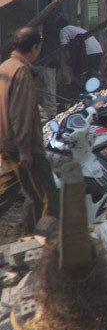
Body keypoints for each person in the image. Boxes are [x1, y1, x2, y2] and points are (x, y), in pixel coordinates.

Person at [0, 27, 59, 232]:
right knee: (47, 197)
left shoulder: (6, 66)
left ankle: (30, 236)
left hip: (7, 143)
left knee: (5, 193)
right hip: (23, 146)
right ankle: (45, 241)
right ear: (35, 48)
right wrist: (25, 148)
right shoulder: (22, 71)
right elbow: (21, 112)